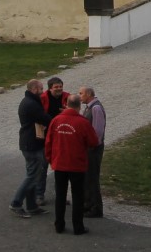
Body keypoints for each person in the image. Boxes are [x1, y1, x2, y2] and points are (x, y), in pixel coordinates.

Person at [45, 93, 100, 235]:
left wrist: (50, 158)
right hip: (76, 164)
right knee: (77, 195)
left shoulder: (56, 120)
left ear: (67, 104)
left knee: (60, 194)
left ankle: (59, 224)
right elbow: (93, 141)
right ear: (79, 106)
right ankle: (78, 226)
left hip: (60, 164)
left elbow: (49, 141)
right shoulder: (82, 122)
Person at [9, 79, 48, 217]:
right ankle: (16, 203)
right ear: (34, 89)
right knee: (32, 176)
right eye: (40, 89)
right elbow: (44, 118)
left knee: (33, 174)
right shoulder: (32, 104)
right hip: (32, 144)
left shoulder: (28, 101)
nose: (42, 91)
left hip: (28, 143)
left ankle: (31, 206)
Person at [79, 86, 107, 217]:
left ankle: (96, 208)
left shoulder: (95, 108)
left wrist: (92, 145)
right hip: (89, 148)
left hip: (93, 149)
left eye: (81, 93)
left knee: (92, 178)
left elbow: (98, 131)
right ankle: (88, 204)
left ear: (89, 94)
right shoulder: (89, 107)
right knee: (87, 177)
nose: (80, 96)